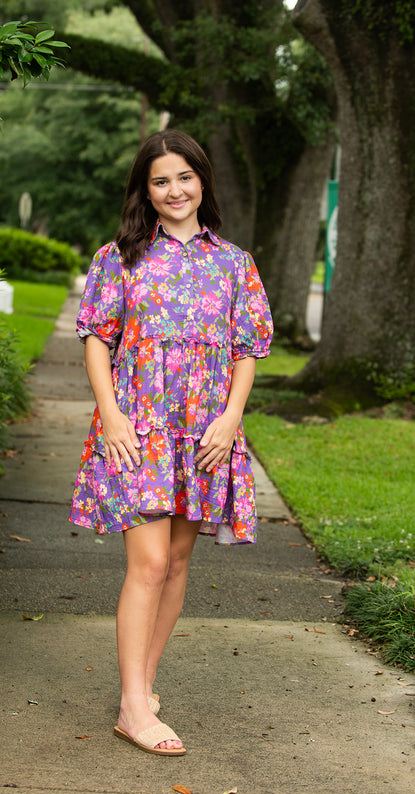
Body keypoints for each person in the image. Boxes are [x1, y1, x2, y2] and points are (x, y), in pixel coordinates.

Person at [70, 129, 273, 757]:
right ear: (145, 190)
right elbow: (98, 339)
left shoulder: (234, 263)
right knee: (150, 564)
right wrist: (111, 415)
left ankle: (144, 685)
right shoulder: (119, 256)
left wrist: (231, 418)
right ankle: (134, 708)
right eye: (160, 180)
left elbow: (247, 349)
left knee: (179, 563)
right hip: (139, 428)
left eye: (184, 177)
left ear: (202, 181)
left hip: (205, 431)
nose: (174, 190)